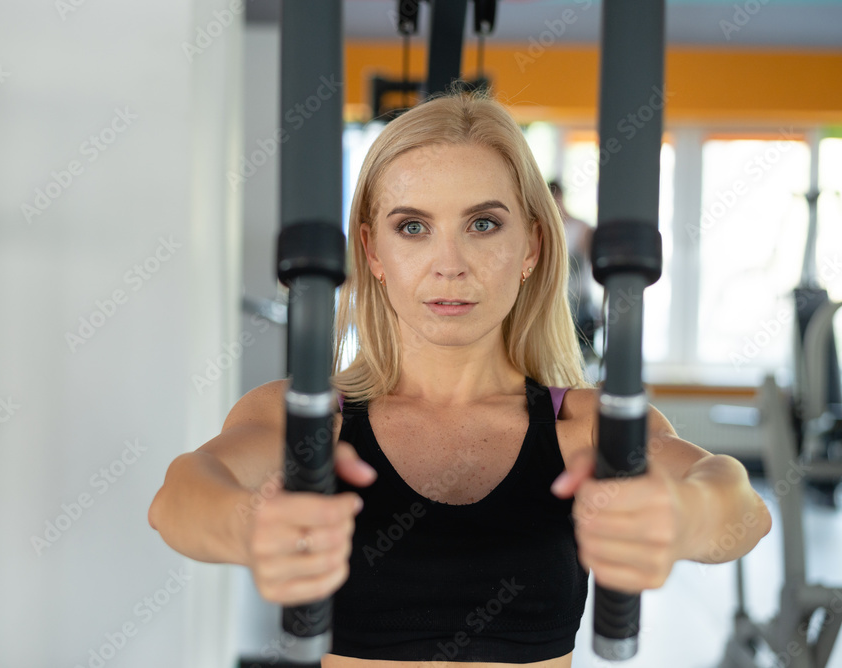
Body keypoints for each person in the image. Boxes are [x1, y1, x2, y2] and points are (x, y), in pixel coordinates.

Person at [148, 86, 772, 667]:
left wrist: (684, 515)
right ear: (372, 251)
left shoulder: (586, 426)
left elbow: (741, 510)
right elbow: (179, 496)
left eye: (483, 224)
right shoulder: (309, 415)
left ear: (531, 245)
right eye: (413, 227)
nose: (449, 265)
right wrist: (249, 526)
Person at [548, 180, 599, 361]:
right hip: (554, 301)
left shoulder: (582, 228)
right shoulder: (546, 230)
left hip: (581, 302)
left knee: (582, 356)